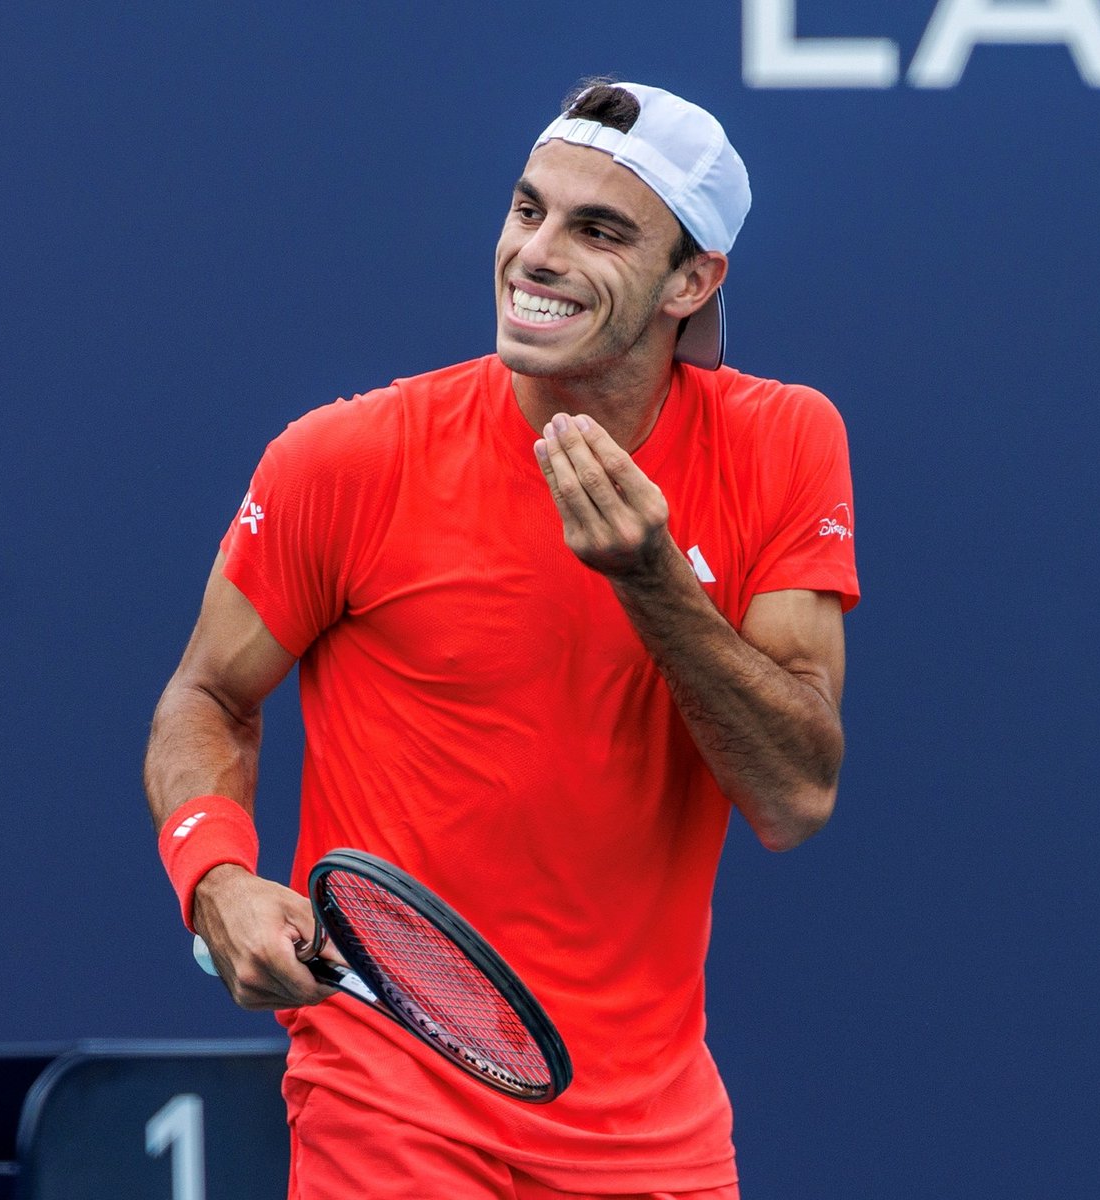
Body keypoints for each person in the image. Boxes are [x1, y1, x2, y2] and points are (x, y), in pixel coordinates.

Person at [144, 79, 859, 1200]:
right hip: (388, 1103)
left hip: (654, 1134)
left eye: (598, 229)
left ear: (693, 280)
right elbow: (208, 696)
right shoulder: (344, 458)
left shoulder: (781, 444)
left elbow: (793, 796)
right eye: (527, 210)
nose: (537, 252)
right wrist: (215, 876)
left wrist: (650, 581)